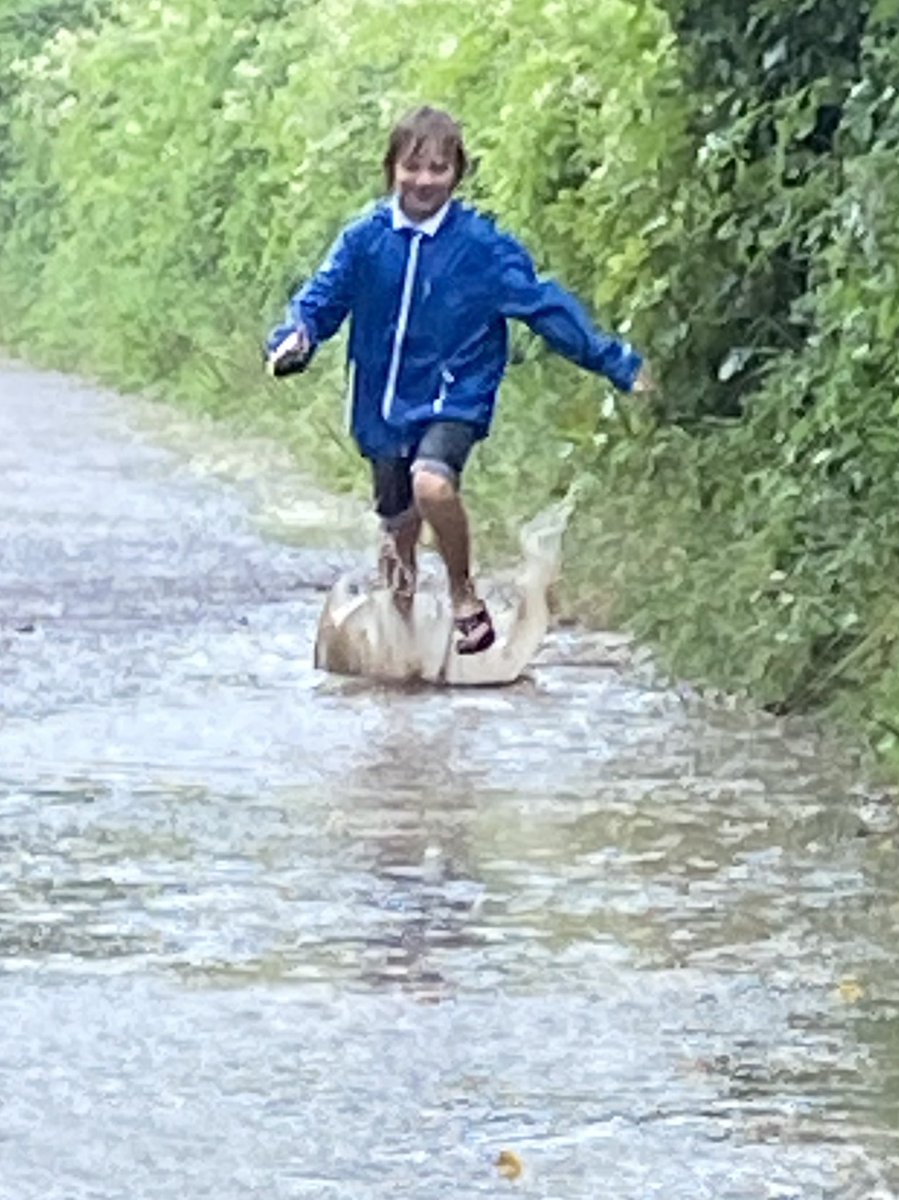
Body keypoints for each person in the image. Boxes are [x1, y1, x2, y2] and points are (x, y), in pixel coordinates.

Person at [266, 106, 651, 655]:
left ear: (457, 174)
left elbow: (546, 308)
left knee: (433, 483)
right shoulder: (365, 240)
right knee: (397, 536)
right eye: (413, 168)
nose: (424, 181)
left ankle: (463, 592)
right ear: (391, 170)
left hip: (455, 395)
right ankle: (396, 669)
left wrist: (619, 365)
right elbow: (319, 301)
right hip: (382, 404)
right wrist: (294, 339)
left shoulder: (482, 248)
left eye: (438, 169)